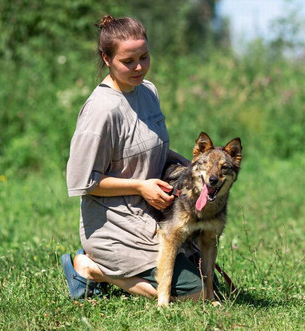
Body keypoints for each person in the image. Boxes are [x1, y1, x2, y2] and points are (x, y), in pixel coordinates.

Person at [61, 15, 205, 302]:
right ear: (106, 58)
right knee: (196, 294)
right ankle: (92, 268)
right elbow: (83, 181)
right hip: (113, 224)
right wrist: (141, 187)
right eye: (128, 61)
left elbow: (156, 150)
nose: (139, 67)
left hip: (156, 214)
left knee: (208, 280)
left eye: (144, 57)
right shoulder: (101, 110)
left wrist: (194, 170)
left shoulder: (148, 91)